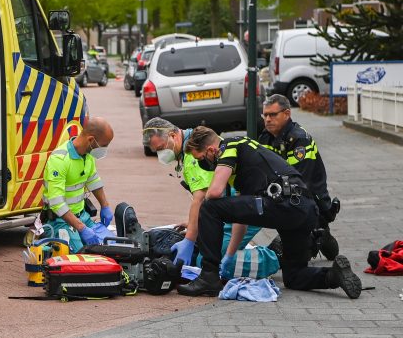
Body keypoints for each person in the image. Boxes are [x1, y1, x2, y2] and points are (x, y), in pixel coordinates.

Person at [177, 126, 362, 298]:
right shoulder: (247, 150)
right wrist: (230, 256)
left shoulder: (229, 146)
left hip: (283, 203)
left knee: (209, 207)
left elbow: (214, 193)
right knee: (294, 276)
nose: (204, 164)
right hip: (304, 208)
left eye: (201, 158)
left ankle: (208, 278)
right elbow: (240, 218)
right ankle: (334, 275)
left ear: (210, 150)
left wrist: (202, 207)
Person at [142, 118, 278, 276]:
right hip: (236, 208)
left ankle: (275, 258)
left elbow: (201, 198)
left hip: (244, 208)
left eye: (161, 148)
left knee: (210, 261)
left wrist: (190, 239)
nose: (161, 154)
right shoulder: (194, 143)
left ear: (173, 135)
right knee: (206, 256)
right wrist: (195, 225)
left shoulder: (193, 155)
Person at [256, 94, 339, 258]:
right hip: (286, 195)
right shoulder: (265, 137)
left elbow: (299, 180)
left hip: (311, 198)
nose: (267, 119)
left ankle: (322, 234)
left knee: (308, 244)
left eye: (273, 115)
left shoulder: (299, 139)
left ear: (286, 114)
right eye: (265, 115)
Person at [41, 117, 114, 252]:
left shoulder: (88, 155)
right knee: (83, 257)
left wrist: (105, 206)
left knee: (112, 247)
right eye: (104, 145)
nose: (105, 150)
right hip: (60, 221)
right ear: (91, 140)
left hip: (82, 217)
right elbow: (57, 203)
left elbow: (93, 181)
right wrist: (81, 228)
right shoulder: (59, 160)